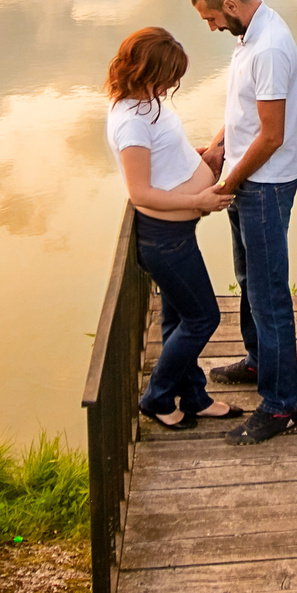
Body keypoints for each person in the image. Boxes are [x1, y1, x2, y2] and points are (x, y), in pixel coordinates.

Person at [103, 26, 240, 430]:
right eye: (168, 77)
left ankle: (193, 397)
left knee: (179, 320)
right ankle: (157, 396)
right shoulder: (130, 123)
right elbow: (141, 193)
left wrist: (192, 159)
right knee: (203, 319)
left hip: (176, 236)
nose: (171, 85)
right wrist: (198, 200)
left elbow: (162, 157)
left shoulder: (146, 103)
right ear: (145, 70)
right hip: (165, 242)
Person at [191, 0, 297, 444]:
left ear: (231, 7)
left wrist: (226, 186)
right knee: (248, 280)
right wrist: (218, 147)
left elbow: (272, 135)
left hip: (264, 185)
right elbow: (243, 112)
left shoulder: (271, 46)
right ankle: (260, 362)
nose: (212, 27)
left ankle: (279, 408)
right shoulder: (248, 38)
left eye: (212, 18)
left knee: (269, 295)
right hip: (247, 180)